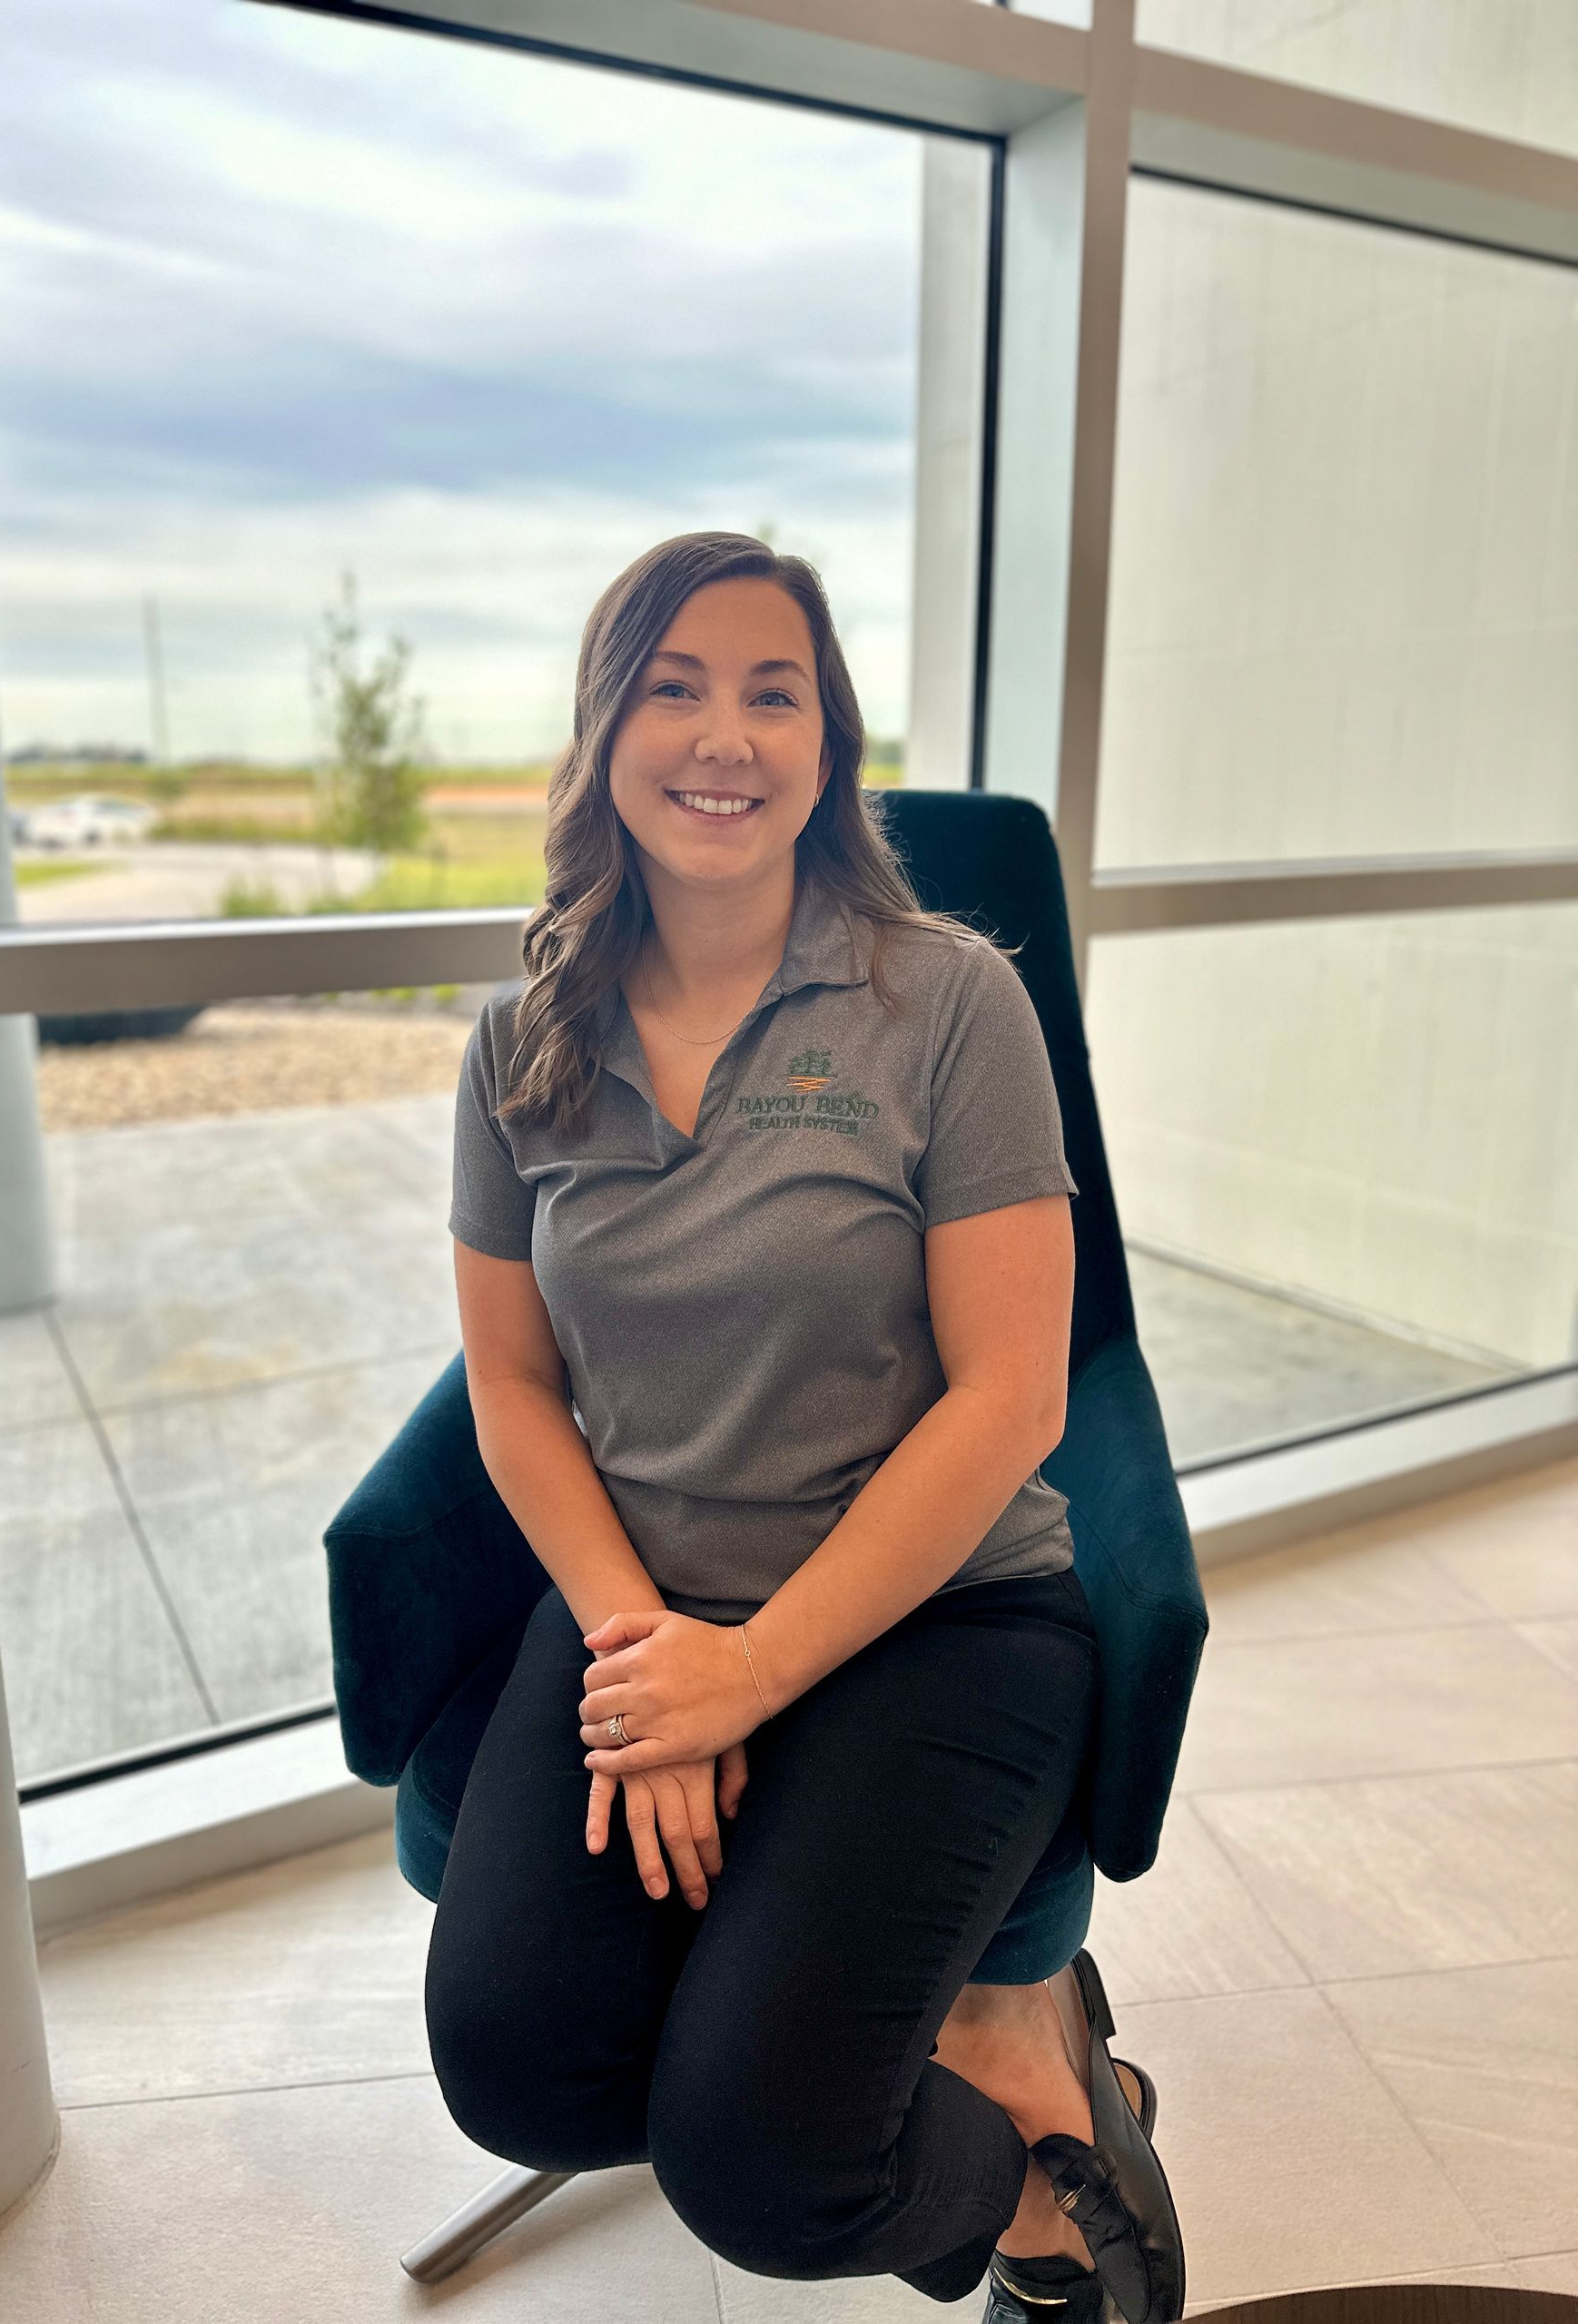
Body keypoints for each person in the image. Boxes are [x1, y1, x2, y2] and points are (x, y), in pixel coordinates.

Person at [425, 529, 1183, 2320]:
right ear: (607, 733)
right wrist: (646, 1657)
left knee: (763, 2159)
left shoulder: (949, 999)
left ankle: (1042, 2157)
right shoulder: (520, 1037)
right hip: (646, 1599)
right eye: (675, 686)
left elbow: (1012, 1394)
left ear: (829, 745)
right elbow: (514, 1387)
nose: (726, 734)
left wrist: (744, 1678)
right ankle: (917, 2073)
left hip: (945, 1615)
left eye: (778, 693)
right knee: (516, 2068)